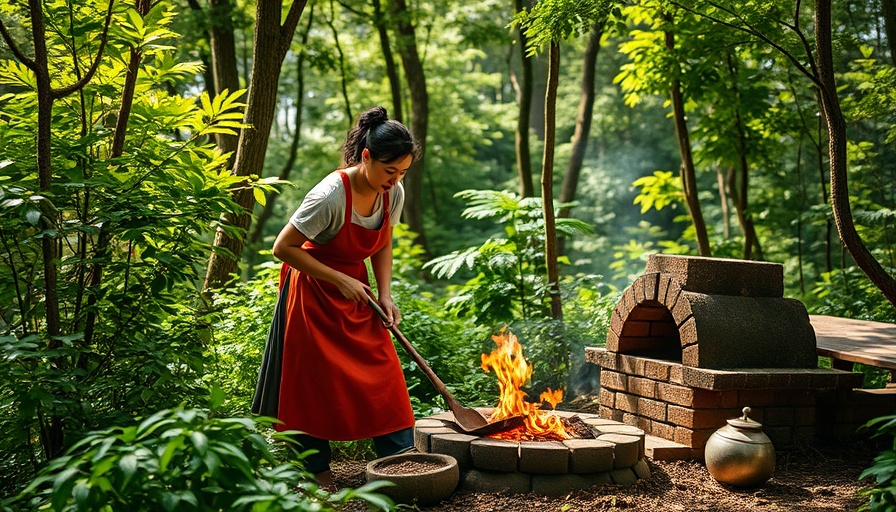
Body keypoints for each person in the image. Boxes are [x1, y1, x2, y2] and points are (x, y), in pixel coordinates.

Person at [269, 106, 418, 491]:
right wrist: (338, 279)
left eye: (403, 172)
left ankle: (400, 463)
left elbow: (383, 243)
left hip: (358, 291)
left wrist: (385, 295)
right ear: (366, 157)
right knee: (313, 385)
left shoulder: (393, 193)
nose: (396, 179)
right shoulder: (330, 194)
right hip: (313, 291)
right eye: (390, 171)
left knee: (384, 374)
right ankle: (315, 472)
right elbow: (282, 248)